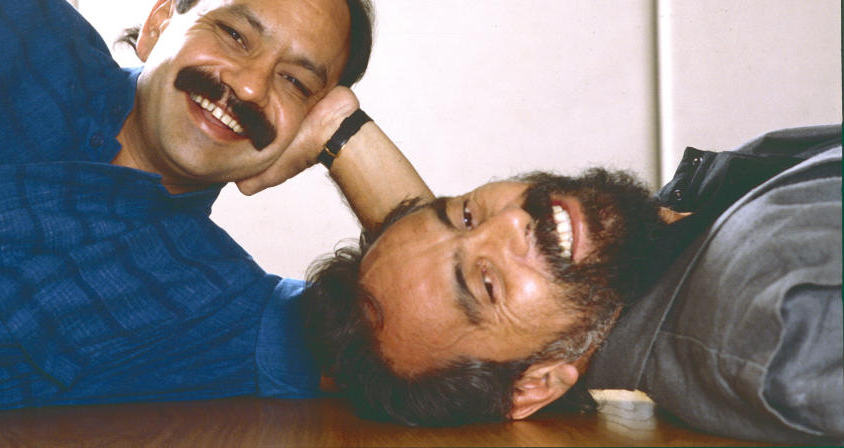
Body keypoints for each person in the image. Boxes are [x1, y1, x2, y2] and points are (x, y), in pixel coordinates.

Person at [0, 0, 431, 416]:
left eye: (295, 82)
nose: (248, 86)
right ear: (159, 21)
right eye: (234, 34)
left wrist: (347, 137)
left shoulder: (208, 303)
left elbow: (429, 334)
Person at [303, 124, 843, 443]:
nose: (510, 222)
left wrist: (340, 129)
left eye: (465, 214)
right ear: (535, 384)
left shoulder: (664, 239)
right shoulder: (771, 322)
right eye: (487, 285)